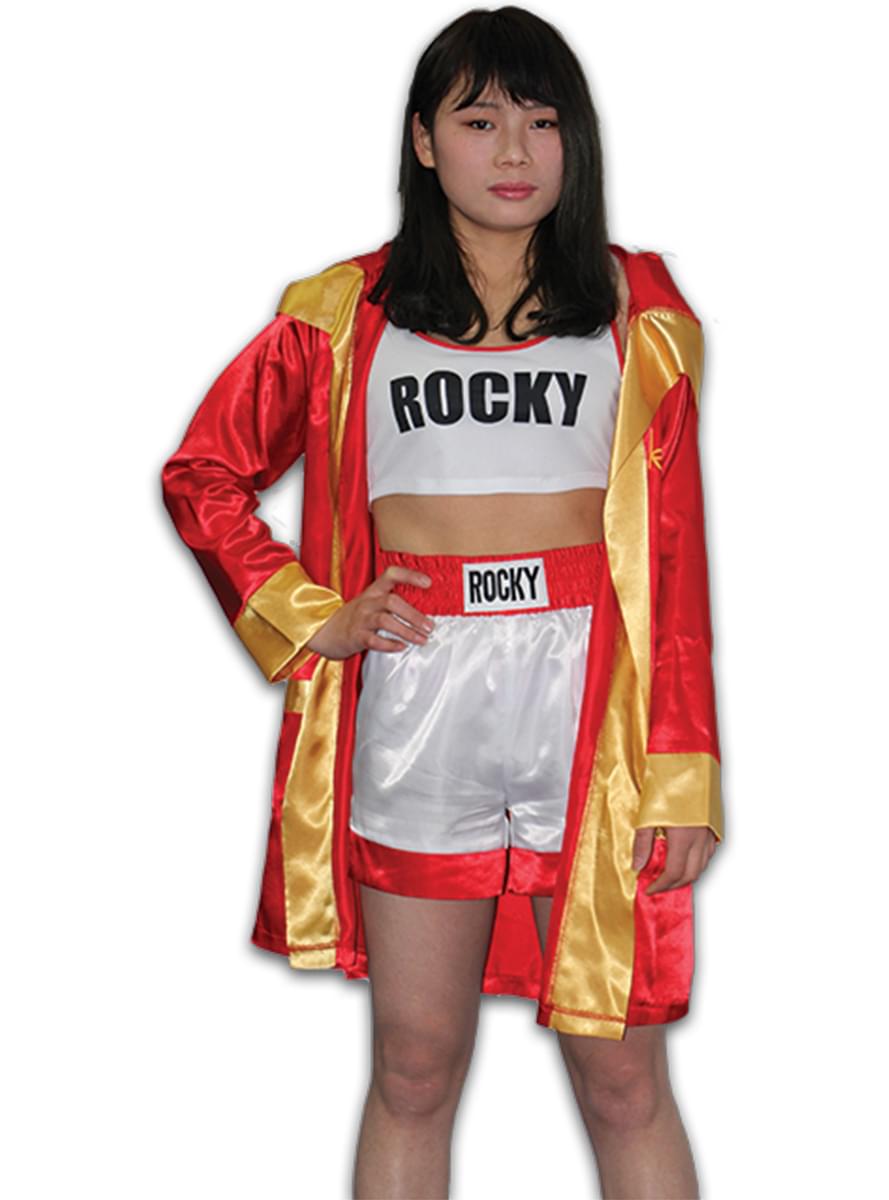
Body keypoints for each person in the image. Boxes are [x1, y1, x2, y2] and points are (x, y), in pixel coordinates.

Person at [160, 7, 723, 1197]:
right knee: (415, 1068)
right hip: (421, 689)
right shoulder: (343, 313)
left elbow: (671, 560)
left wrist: (682, 770)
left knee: (623, 1080)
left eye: (542, 120)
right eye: (478, 121)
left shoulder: (635, 309)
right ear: (423, 140)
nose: (513, 150)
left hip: (590, 704)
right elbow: (203, 472)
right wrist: (310, 610)